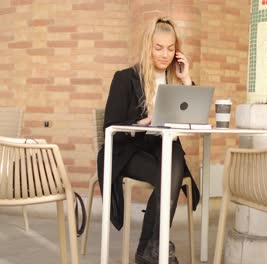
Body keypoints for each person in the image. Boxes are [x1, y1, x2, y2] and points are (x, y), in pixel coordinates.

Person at [97, 17, 200, 264]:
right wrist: (142, 123)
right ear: (148, 46)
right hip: (128, 150)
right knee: (170, 173)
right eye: (158, 47)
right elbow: (110, 127)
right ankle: (153, 247)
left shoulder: (175, 79)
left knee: (174, 155)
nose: (165, 54)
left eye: (171, 48)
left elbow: (193, 118)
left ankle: (151, 247)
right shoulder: (125, 78)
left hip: (162, 148)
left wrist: (186, 81)